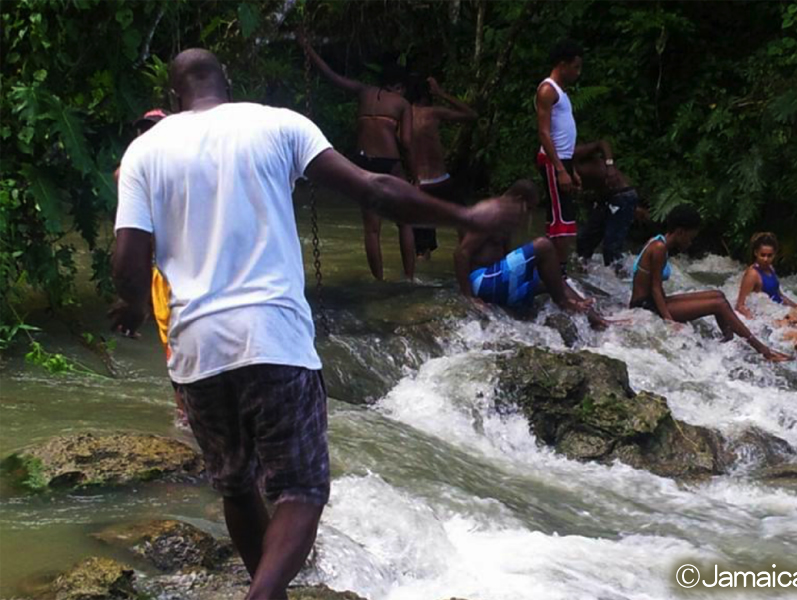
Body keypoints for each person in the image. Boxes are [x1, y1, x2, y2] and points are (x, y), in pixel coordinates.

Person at [110, 48, 520, 600]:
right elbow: (375, 190)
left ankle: (267, 590)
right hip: (273, 336)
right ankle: (264, 594)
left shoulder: (144, 152)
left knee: (236, 486)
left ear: (172, 95)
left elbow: (129, 262)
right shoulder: (279, 123)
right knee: (301, 489)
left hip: (196, 348)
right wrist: (465, 216)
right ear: (226, 83)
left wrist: (134, 308)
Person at [298, 30, 416, 281]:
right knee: (405, 222)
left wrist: (308, 49)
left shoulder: (363, 91)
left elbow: (332, 76)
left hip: (362, 162)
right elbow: (405, 142)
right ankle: (409, 279)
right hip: (389, 162)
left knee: (372, 230)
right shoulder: (402, 104)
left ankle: (379, 282)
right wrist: (413, 174)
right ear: (399, 87)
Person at [628, 205, 790, 362]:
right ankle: (763, 350)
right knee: (718, 304)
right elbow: (655, 288)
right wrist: (669, 321)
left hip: (655, 302)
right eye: (690, 238)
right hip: (645, 306)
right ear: (680, 232)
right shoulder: (659, 248)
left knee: (718, 295)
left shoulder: (658, 242)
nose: (691, 242)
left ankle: (728, 339)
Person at [113, 108, 187, 427]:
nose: (148, 135)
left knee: (182, 347)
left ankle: (188, 414)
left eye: (156, 129)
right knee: (173, 350)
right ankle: (184, 414)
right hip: (159, 273)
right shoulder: (135, 170)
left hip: (180, 269)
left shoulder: (182, 169)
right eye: (144, 130)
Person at [454, 179, 606, 327]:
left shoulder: (505, 216)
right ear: (519, 200)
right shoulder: (490, 213)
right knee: (544, 245)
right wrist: (469, 297)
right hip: (482, 282)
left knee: (552, 276)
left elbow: (506, 258)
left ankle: (595, 318)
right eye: (530, 208)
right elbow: (461, 253)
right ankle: (564, 303)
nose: (529, 215)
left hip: (498, 283)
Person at [409, 76, 478, 258]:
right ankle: (466, 263)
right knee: (464, 222)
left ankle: (418, 282)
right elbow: (471, 115)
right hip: (440, 180)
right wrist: (442, 94)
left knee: (423, 245)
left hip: (419, 184)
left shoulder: (403, 115)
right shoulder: (433, 113)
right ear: (428, 95)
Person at [535, 39, 583, 273]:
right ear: (563, 65)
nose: (577, 72)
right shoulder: (547, 90)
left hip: (563, 160)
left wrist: (570, 169)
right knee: (560, 221)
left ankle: (556, 269)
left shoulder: (560, 93)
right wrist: (560, 169)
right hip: (553, 161)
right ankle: (557, 272)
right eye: (575, 67)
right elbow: (544, 133)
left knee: (563, 218)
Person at [572, 139, 639, 268]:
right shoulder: (560, 170)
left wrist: (610, 166)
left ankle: (621, 281)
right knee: (584, 239)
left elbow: (602, 143)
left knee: (611, 248)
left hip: (622, 195)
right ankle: (583, 273)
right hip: (604, 199)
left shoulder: (574, 154)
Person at [735, 232, 796, 317]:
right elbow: (740, 305)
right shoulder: (752, 274)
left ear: (774, 255)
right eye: (762, 255)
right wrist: (754, 321)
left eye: (769, 255)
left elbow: (779, 295)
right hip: (766, 315)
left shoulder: (771, 268)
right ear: (756, 253)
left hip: (779, 310)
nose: (766, 259)